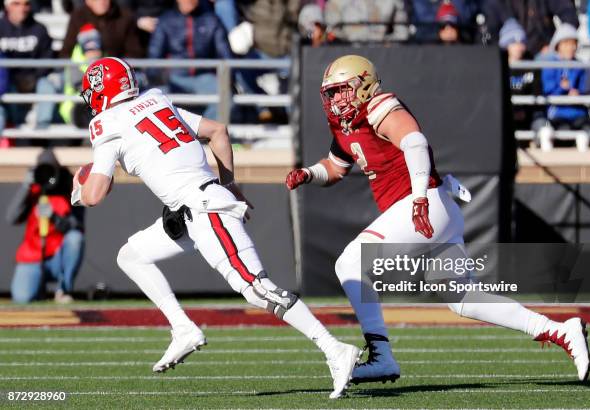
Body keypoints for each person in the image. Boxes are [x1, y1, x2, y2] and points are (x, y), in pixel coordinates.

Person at [285, 54, 590, 385]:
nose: (336, 99)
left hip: (423, 204)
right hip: (432, 208)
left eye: (342, 90)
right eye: (331, 93)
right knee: (464, 299)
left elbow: (415, 142)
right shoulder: (346, 124)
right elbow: (336, 168)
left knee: (349, 263)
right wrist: (308, 173)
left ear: (364, 84)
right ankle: (559, 330)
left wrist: (418, 197)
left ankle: (381, 355)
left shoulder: (379, 107)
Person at [73, 57, 360, 399]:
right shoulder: (156, 99)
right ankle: (183, 329)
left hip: (203, 209)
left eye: (92, 91)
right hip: (192, 208)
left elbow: (94, 194)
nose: (90, 99)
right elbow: (218, 132)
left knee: (257, 289)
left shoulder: (106, 124)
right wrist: (231, 184)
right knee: (132, 256)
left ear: (104, 91)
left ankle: (334, 349)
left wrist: (80, 186)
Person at [6, 149, 85, 303]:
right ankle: (36, 287)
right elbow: (11, 218)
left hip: (58, 255)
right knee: (22, 298)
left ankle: (63, 290)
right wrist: (25, 188)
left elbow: (77, 225)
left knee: (76, 239)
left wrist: (54, 218)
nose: (47, 176)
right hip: (33, 255)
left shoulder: (68, 186)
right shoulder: (33, 188)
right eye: (43, 170)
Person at [148, 0, 233, 120]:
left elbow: (224, 53)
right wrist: (157, 79)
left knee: (225, 98)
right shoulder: (166, 21)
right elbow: (155, 55)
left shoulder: (211, 20)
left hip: (203, 76)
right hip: (174, 77)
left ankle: (205, 133)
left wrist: (227, 78)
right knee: (155, 99)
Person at [0, 0, 57, 135]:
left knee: (48, 86)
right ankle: (16, 124)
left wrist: (34, 77)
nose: (23, 8)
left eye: (26, 4)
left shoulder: (39, 29)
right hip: (8, 80)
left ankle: (42, 133)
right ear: (8, 6)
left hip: (35, 78)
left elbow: (48, 57)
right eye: (17, 3)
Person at [481, 0, 578, 58]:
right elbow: (489, 33)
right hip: (509, 56)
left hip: (542, 55)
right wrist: (507, 47)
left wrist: (555, 45)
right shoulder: (495, 3)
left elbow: (570, 16)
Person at [59, 0, 144, 59]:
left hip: (116, 72)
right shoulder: (78, 16)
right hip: (82, 73)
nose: (101, 1)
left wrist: (113, 64)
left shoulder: (124, 16)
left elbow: (134, 53)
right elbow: (66, 52)